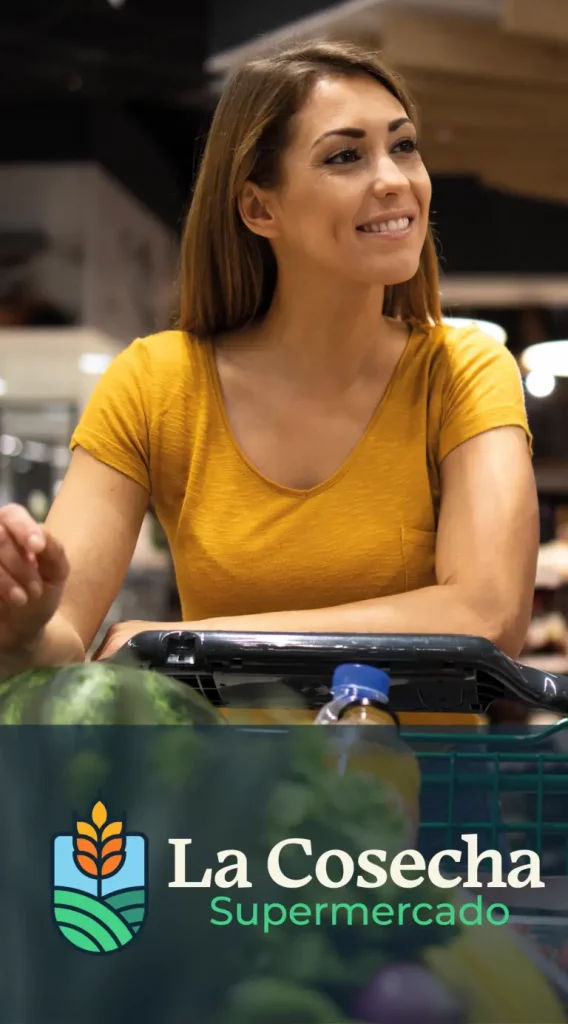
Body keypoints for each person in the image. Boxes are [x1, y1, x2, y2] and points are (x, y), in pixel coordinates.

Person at [0, 40, 538, 676]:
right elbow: (61, 634)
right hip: (222, 777)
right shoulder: (156, 383)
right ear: (259, 207)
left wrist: (189, 641)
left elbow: (487, 615)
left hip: (427, 777)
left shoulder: (462, 370)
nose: (395, 180)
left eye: (404, 145)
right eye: (345, 156)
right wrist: (24, 625)